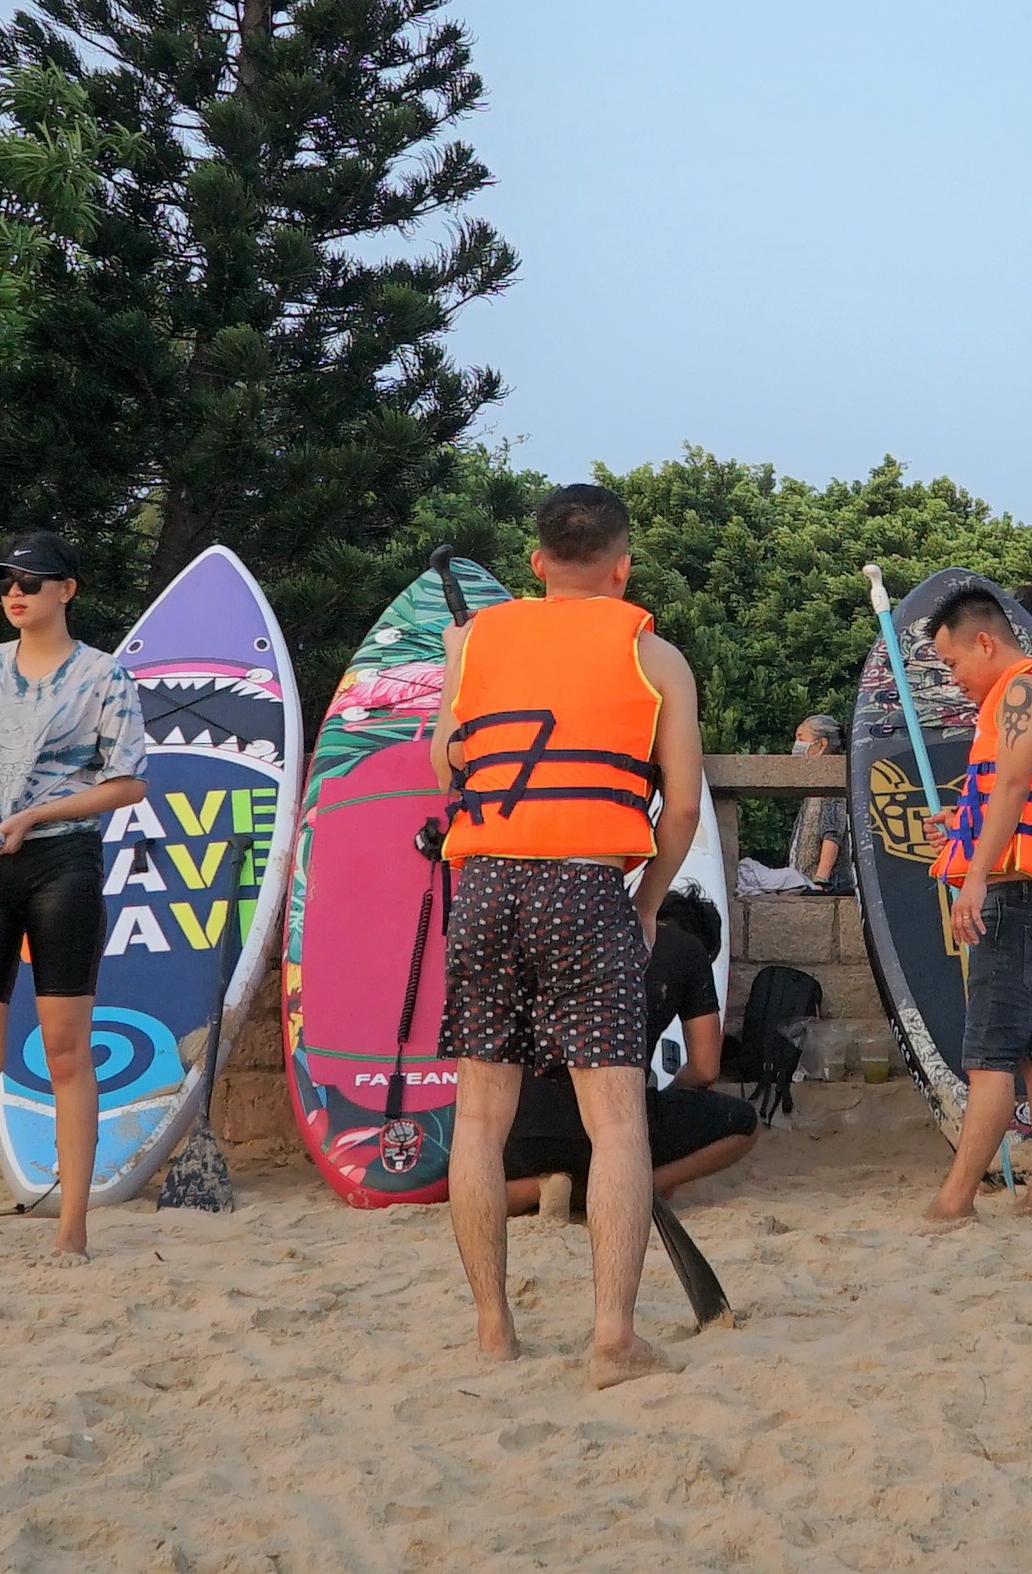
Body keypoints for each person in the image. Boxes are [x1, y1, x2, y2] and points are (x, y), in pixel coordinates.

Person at [435, 483, 706, 1388]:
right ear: (623, 567)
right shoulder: (654, 654)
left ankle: (491, 1331)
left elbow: (448, 762)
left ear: (536, 562)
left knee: (478, 1116)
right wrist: (648, 898)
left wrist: (454, 665)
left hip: (483, 884)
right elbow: (683, 807)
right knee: (617, 1123)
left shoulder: (474, 642)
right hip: (588, 888)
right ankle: (612, 1338)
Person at [0, 534, 147, 1270]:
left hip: (62, 863)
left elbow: (129, 782)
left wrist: (38, 815)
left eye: (32, 582)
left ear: (66, 591)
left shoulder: (104, 676)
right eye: (7, 582)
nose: (16, 593)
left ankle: (71, 1227)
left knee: (67, 1052)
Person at [917, 583, 1032, 1226]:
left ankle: (956, 1198)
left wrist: (975, 876)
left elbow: (1017, 783)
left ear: (986, 642)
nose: (954, 679)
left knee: (988, 1056)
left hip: (1015, 894)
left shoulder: (1021, 688)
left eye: (954, 664)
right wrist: (961, 821)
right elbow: (1011, 792)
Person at [504, 888, 759, 1214]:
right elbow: (706, 1068)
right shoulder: (687, 951)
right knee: (745, 1125)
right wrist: (671, 1094)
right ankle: (637, 1185)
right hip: (615, 1124)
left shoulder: (567, 931)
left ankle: (538, 1189)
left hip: (526, 1121)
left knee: (478, 1171)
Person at [789, 713, 852, 892]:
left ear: (822, 744)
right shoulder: (814, 785)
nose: (796, 745)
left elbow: (832, 833)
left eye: (801, 738)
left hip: (825, 886)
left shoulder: (832, 782)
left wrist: (820, 880)